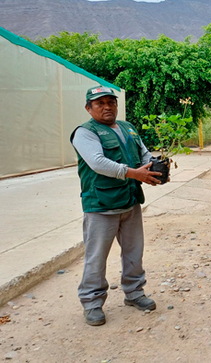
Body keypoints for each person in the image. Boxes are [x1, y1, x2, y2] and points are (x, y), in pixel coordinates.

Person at [71, 86, 162, 326]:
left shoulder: (127, 128)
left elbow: (143, 154)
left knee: (134, 251)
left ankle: (134, 293)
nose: (107, 106)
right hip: (101, 205)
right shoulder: (85, 132)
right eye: (99, 103)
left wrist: (153, 169)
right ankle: (92, 303)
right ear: (88, 108)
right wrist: (134, 174)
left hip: (130, 202)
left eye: (111, 102)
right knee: (96, 257)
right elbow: (98, 163)